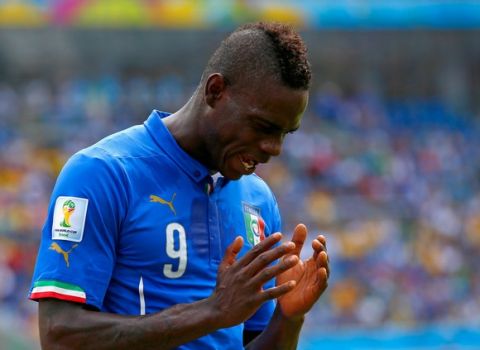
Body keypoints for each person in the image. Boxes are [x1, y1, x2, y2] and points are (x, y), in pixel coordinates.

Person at [29, 22, 330, 349]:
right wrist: (212, 311)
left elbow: (249, 340)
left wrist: (288, 319)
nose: (275, 148)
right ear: (215, 91)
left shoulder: (257, 201)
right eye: (262, 127)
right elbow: (60, 336)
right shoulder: (102, 174)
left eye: (286, 133)